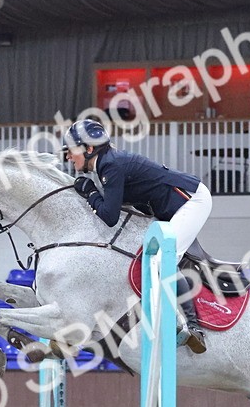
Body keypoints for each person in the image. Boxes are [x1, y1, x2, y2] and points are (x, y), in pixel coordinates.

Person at [63, 118, 213, 354]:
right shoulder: (106, 165)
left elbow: (109, 216)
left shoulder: (110, 166)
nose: (69, 157)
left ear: (89, 149)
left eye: (71, 151)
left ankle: (194, 327)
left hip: (192, 200)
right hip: (169, 206)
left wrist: (90, 192)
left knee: (164, 257)